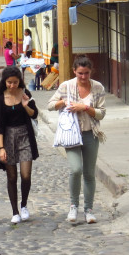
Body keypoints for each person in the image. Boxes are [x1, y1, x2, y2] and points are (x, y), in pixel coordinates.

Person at [47, 55, 107, 224]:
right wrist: (63, 102)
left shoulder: (98, 87)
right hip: (71, 135)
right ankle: (73, 206)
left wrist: (85, 108)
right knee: (75, 169)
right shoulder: (66, 86)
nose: (83, 77)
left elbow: (102, 113)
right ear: (74, 71)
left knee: (89, 173)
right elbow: (50, 105)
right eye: (80, 73)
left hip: (90, 133)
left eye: (86, 73)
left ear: (90, 72)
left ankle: (89, 209)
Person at [0, 66, 39, 224]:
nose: (12, 86)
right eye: (9, 82)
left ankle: (24, 205)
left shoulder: (25, 93)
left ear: (20, 81)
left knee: (26, 175)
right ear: (4, 82)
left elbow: (35, 114)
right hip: (8, 139)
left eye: (15, 82)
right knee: (11, 176)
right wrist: (1, 148)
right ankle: (15, 211)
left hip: (25, 136)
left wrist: (26, 105)